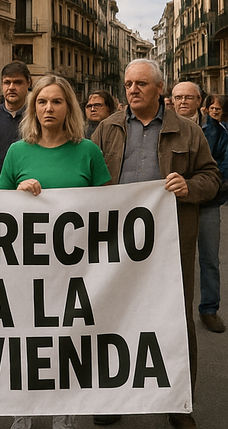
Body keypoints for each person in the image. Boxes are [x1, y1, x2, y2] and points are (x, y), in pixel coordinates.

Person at [92, 60, 220, 429]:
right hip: (114, 246)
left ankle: (179, 404)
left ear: (159, 89)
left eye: (141, 84)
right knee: (112, 318)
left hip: (170, 245)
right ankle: (111, 397)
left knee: (175, 322)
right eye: (129, 83)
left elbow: (211, 177)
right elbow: (87, 176)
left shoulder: (189, 131)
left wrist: (189, 187)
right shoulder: (107, 129)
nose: (132, 90)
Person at [0, 75, 111, 429]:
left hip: (75, 267)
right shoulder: (18, 152)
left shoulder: (88, 151)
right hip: (26, 265)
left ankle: (65, 413)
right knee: (27, 338)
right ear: (33, 108)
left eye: (57, 102)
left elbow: (110, 206)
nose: (49, 108)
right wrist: (17, 191)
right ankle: (24, 410)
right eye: (42, 102)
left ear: (69, 108)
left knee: (69, 338)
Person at [171, 81, 228, 335]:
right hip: (173, 207)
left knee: (208, 259)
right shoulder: (165, 128)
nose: (182, 102)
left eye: (188, 97)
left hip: (207, 205)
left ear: (199, 102)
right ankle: (172, 310)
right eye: (177, 97)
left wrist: (204, 189)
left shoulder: (217, 131)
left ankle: (209, 309)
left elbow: (223, 168)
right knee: (171, 261)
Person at [0, 61, 30, 179]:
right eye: (7, 82)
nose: (11, 87)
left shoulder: (37, 116)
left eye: (18, 82)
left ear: (28, 83)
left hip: (29, 187)